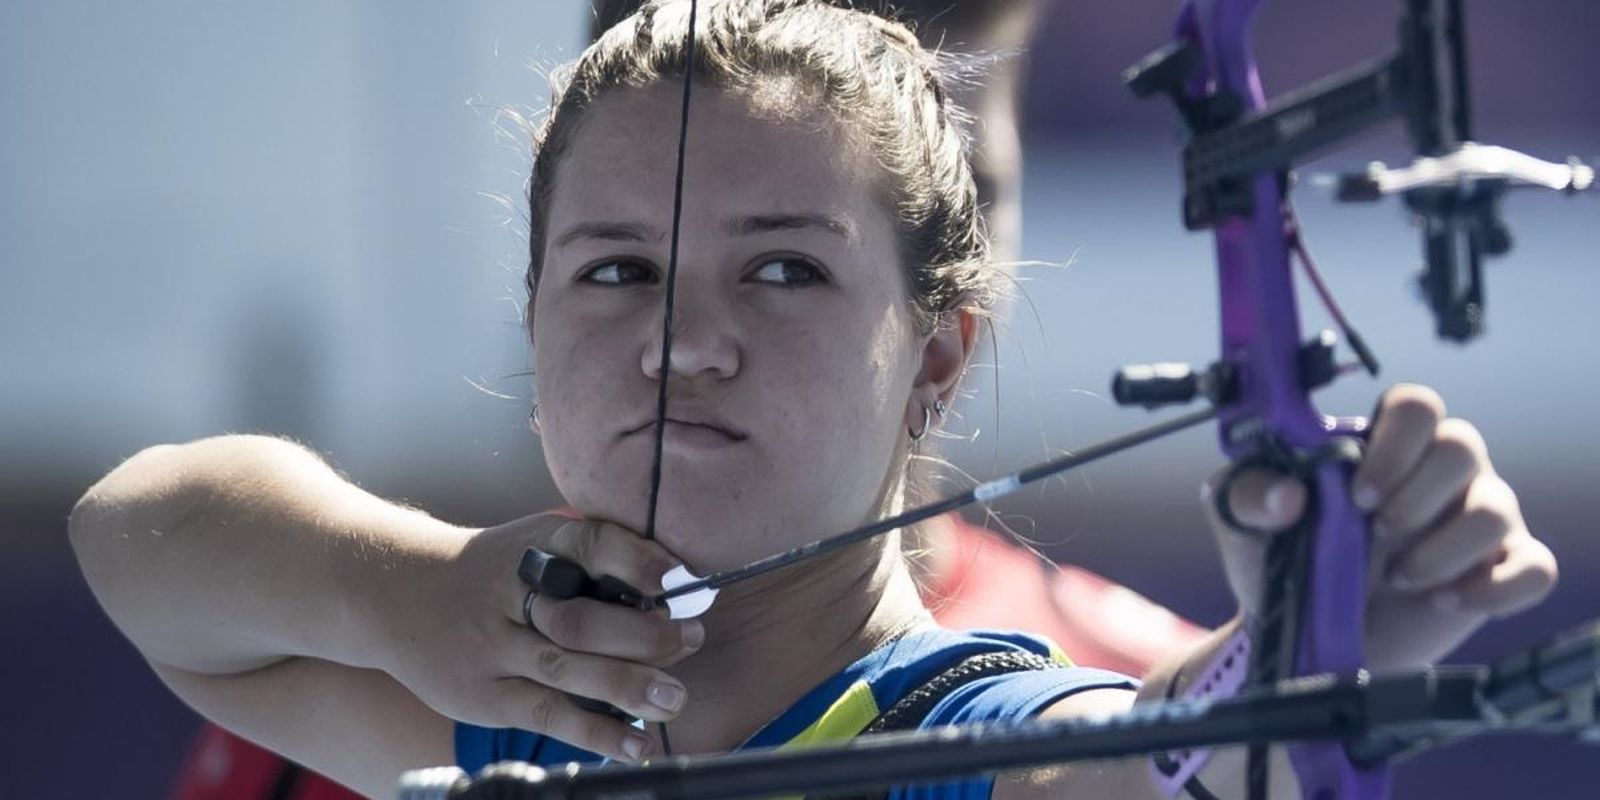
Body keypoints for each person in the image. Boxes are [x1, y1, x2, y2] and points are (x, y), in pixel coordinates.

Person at [71, 2, 1557, 799]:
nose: (681, 341)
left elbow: (1157, 763)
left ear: (934, 359)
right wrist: (404, 592)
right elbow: (131, 540)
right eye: (612, 273)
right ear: (529, 316)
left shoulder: (969, 728)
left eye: (781, 273)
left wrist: (1300, 657)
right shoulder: (546, 708)